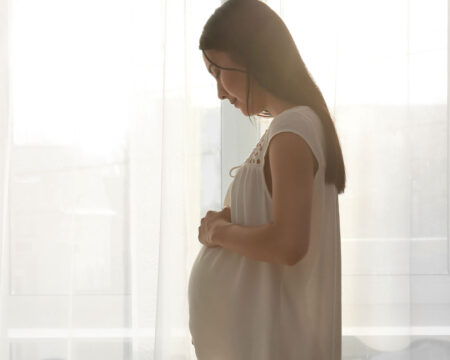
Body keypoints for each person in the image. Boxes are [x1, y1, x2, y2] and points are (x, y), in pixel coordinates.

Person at [188, 0, 346, 358]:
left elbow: (288, 244)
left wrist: (218, 232)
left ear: (252, 58)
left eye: (218, 73)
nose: (219, 92)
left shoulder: (293, 127)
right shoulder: (293, 126)